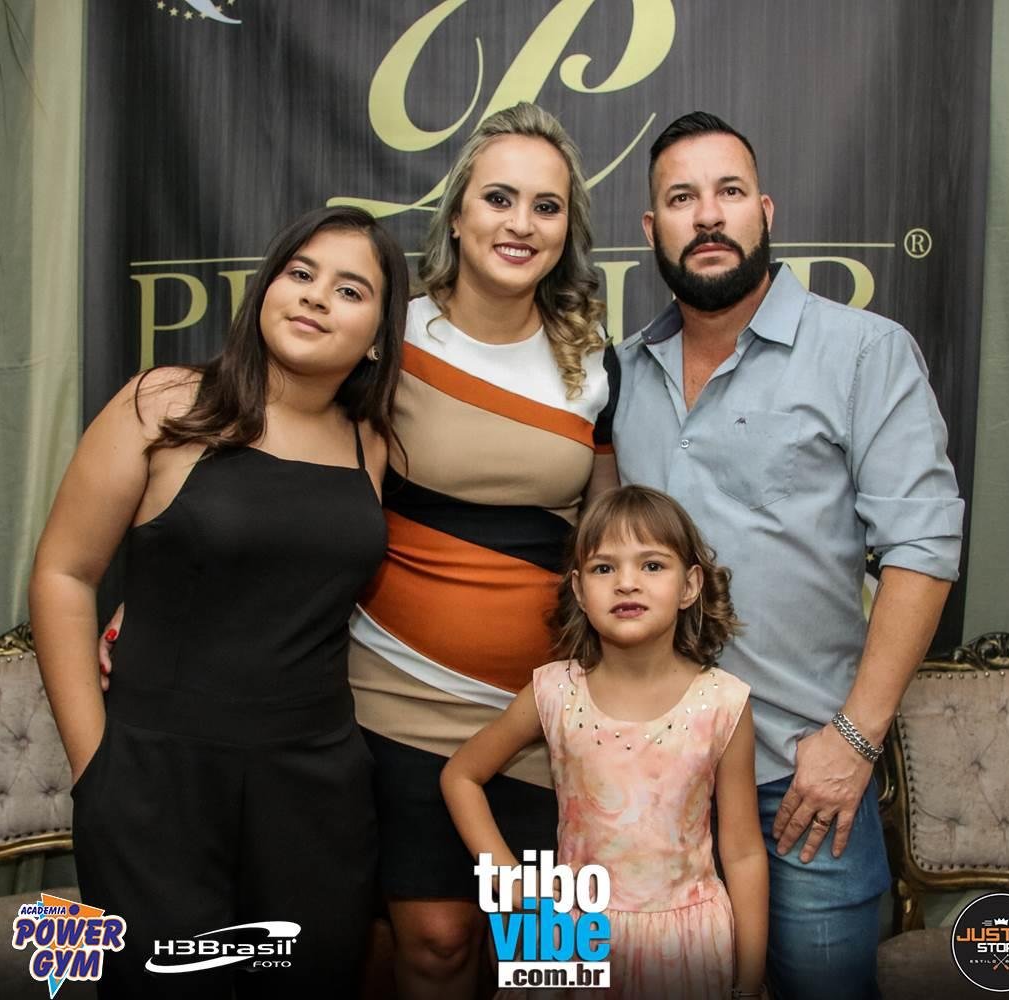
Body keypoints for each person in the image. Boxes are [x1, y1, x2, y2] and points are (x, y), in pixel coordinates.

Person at [612, 112, 965, 998]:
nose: (707, 215)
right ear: (650, 230)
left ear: (764, 212)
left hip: (802, 783)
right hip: (650, 784)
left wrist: (854, 741)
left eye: (728, 191)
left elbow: (924, 548)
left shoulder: (863, 352)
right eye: (681, 199)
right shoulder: (624, 373)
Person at [30, 206, 408, 998]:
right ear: (266, 286)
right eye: (300, 273)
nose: (315, 297)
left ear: (378, 336)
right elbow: (64, 573)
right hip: (156, 784)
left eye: (350, 290)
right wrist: (95, 770)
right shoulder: (166, 402)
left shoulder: (369, 444)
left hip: (316, 792)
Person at [347, 102, 617, 998]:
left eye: (546, 206)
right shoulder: (387, 336)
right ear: (458, 213)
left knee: (546, 952)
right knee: (435, 943)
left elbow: (605, 535)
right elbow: (300, 492)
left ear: (567, 230)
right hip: (395, 699)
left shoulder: (594, 362)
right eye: (499, 198)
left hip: (542, 714)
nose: (520, 223)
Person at [441, 485, 767, 999]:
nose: (626, 582)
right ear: (578, 589)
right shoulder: (554, 691)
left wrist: (749, 982)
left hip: (686, 948)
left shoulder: (724, 703)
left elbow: (744, 852)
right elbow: (461, 775)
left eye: (652, 565)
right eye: (603, 568)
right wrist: (510, 879)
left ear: (690, 586)